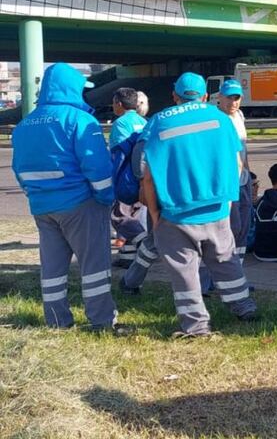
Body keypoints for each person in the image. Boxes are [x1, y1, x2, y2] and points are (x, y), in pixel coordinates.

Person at [12, 63, 129, 334]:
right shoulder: (79, 120)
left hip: (42, 207)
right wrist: (105, 198)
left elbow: (20, 169)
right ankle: (101, 321)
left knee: (52, 267)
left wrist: (36, 195)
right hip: (81, 204)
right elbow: (97, 167)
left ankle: (57, 321)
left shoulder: (24, 124)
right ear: (71, 88)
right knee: (94, 266)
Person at [140, 72, 257, 337]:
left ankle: (197, 326)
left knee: (185, 273)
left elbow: (148, 176)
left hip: (176, 212)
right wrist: (228, 201)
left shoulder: (158, 122)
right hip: (217, 207)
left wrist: (156, 214)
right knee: (225, 262)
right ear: (206, 96)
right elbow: (236, 162)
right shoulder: (221, 119)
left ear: (174, 96)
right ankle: (243, 305)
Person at [108, 87, 148, 267]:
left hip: (127, 177)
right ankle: (127, 258)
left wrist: (113, 180)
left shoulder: (120, 123)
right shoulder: (143, 121)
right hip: (143, 176)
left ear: (118, 104)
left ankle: (145, 243)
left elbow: (119, 155)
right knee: (134, 214)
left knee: (119, 216)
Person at [217, 79, 251, 266]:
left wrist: (249, 173)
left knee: (244, 226)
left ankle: (238, 269)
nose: (233, 102)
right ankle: (222, 269)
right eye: (229, 98)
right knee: (233, 226)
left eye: (237, 98)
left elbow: (244, 148)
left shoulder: (239, 116)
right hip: (227, 184)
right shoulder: (215, 119)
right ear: (220, 97)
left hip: (242, 180)